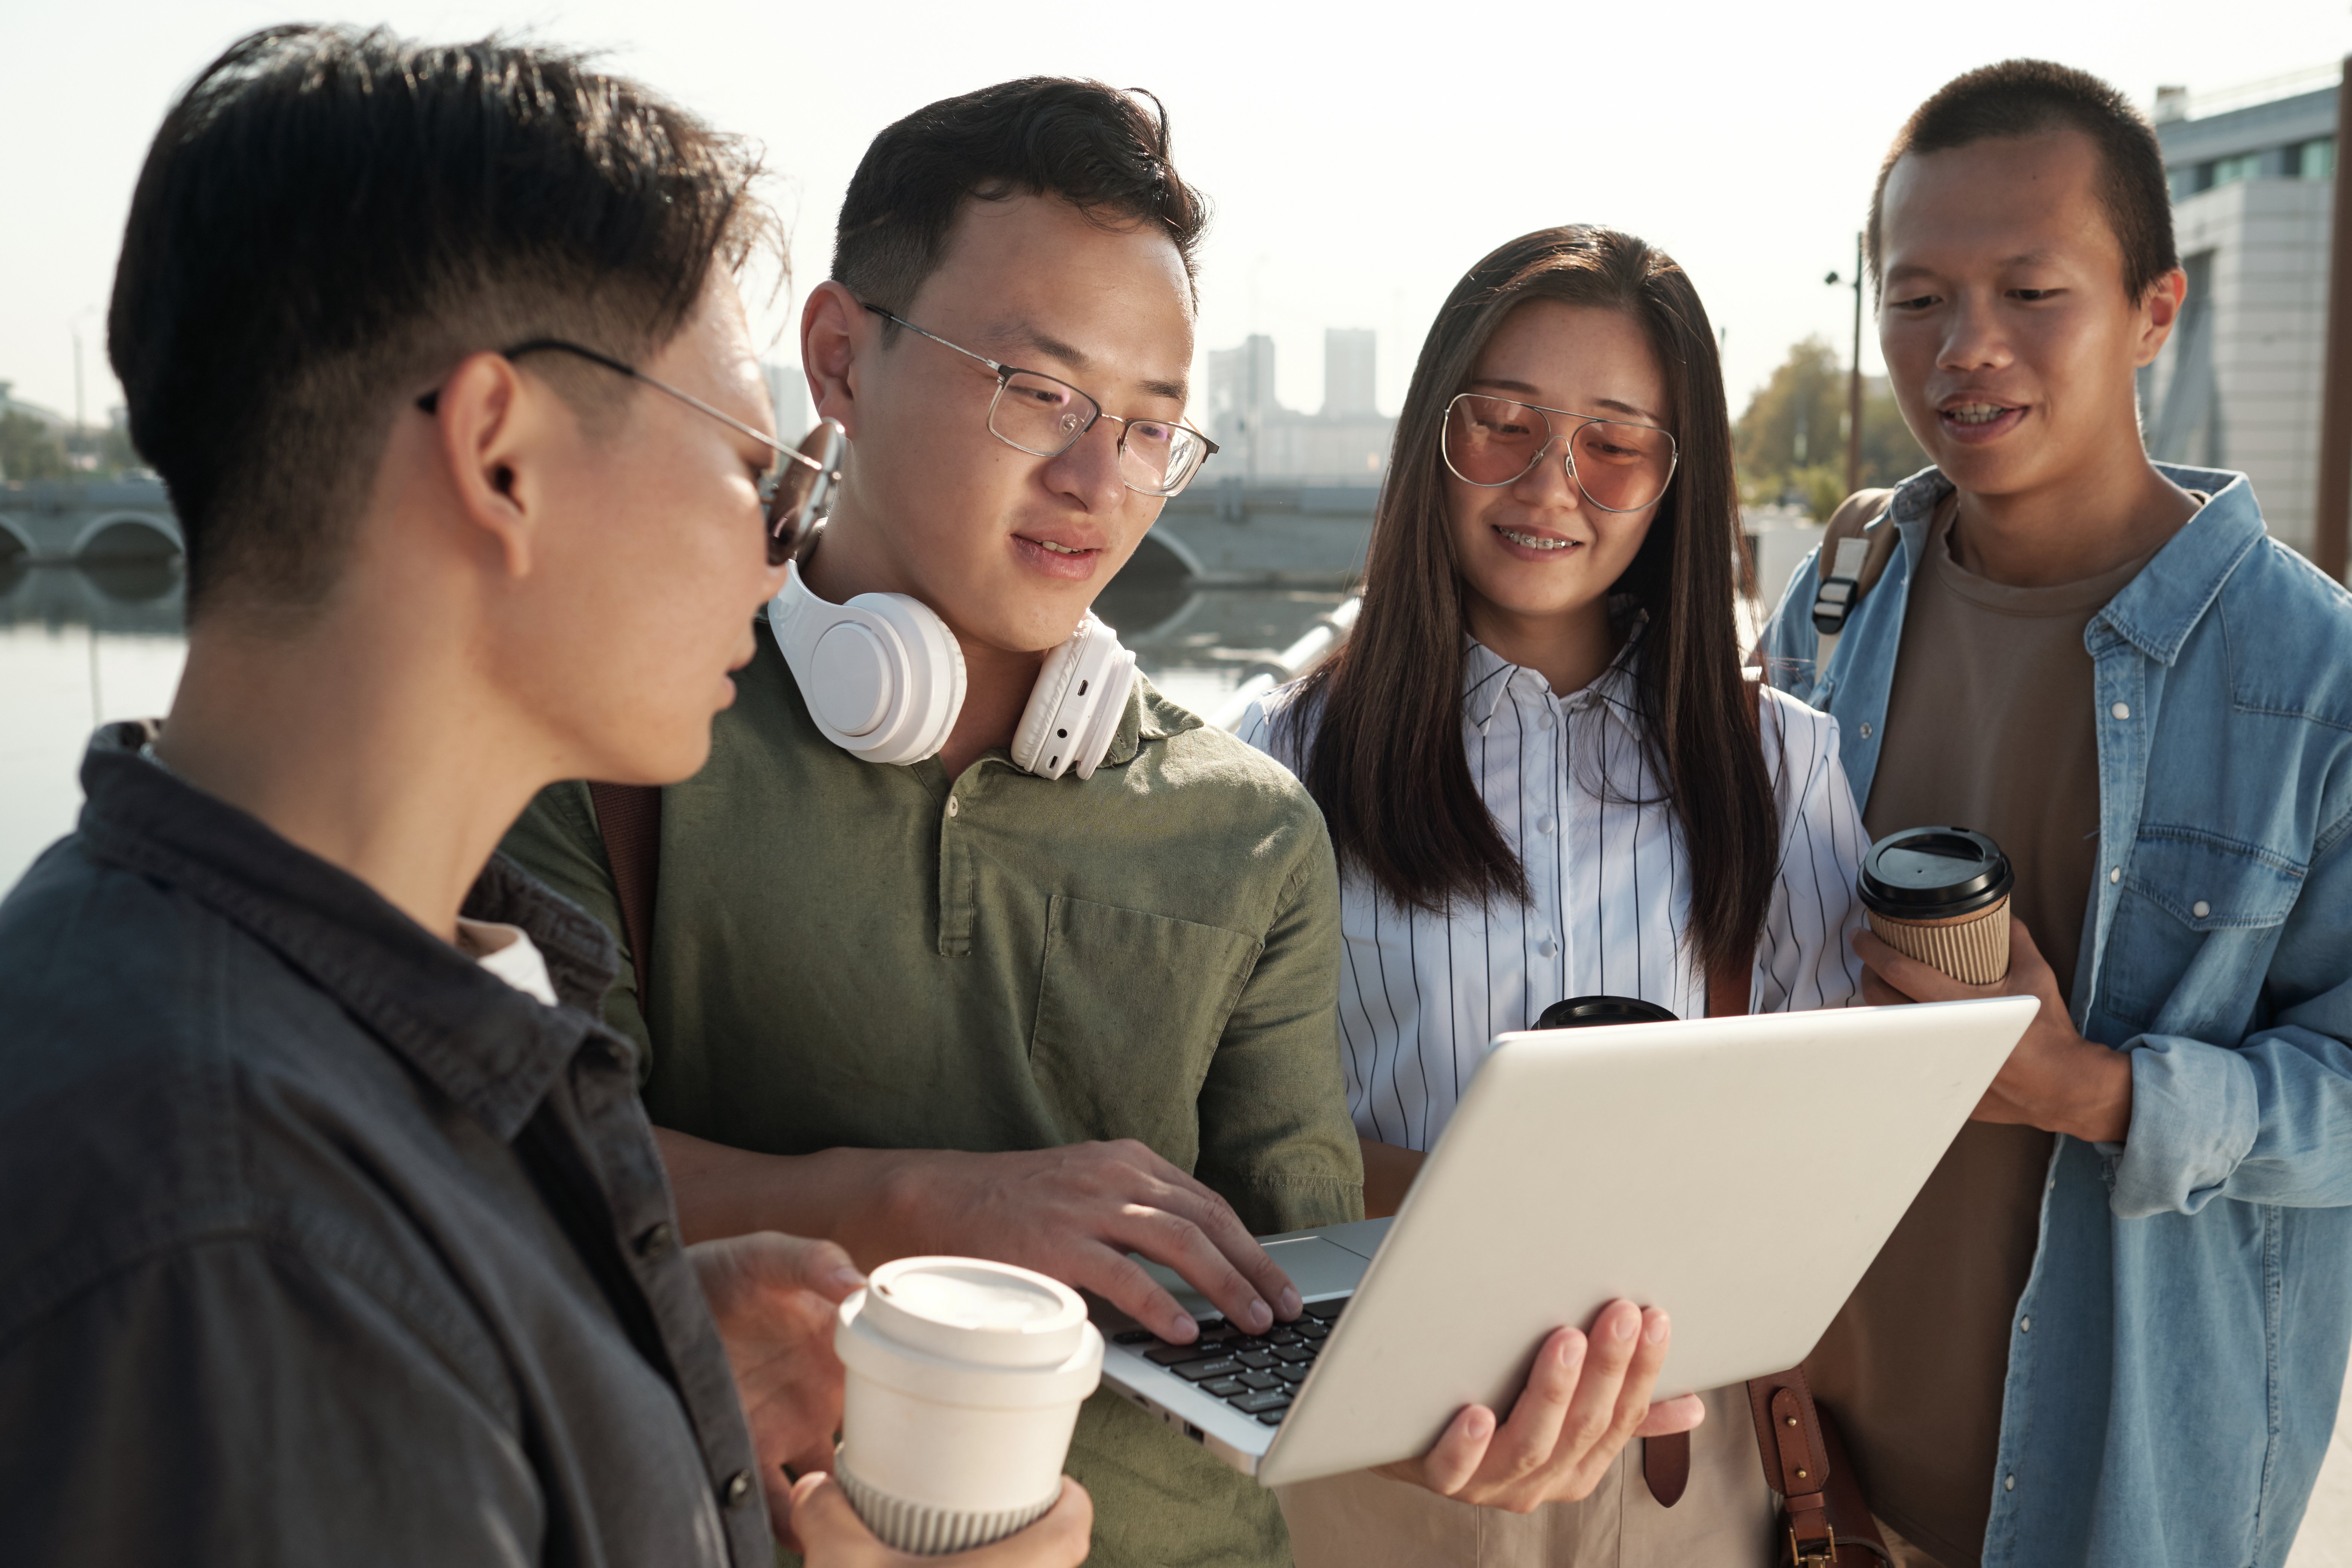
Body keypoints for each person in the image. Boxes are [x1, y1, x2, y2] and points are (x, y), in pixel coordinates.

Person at [502, 79, 1696, 1566]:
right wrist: (922, 1203)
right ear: (839, 358)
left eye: (1150, 425)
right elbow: (507, 1179)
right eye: (1039, 391)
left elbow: (1301, 1312)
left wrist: (1475, 1416)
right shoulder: (604, 745)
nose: (1099, 480)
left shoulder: (1251, 831)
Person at [0, 27, 1088, 1566]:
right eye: (760, 469)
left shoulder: (332, 1031)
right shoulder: (239, 1246)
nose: (782, 552)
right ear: (503, 458)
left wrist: (607, 1383)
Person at [1758, 59, 2352, 1568]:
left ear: (2158, 310)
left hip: (2128, 1496)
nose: (1965, 350)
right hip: (1806, 1468)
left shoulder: (2315, 674)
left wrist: (2097, 1089)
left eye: (2033, 291)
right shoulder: (1845, 588)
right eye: (1917, 298)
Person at [1237, 225, 1868, 1565]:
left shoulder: (1783, 766)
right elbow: (1230, 1133)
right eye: (1504, 424)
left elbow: (1817, 1144)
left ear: (1675, 481)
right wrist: (1517, 1209)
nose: (1550, 483)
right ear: (1432, 440)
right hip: (1374, 1453)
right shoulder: (1283, 756)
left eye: (1615, 442)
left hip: (1682, 1468)